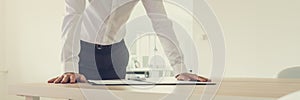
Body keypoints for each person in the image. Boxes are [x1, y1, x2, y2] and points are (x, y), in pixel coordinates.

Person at [48, 0, 209, 84]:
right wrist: (69, 66)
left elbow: (160, 22)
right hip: (83, 54)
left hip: (116, 55)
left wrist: (179, 67)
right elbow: (73, 14)